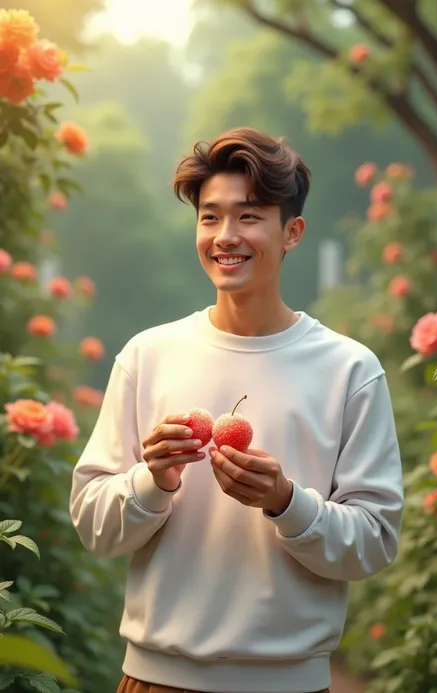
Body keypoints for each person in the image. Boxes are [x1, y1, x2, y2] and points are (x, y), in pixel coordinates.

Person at [70, 127, 404, 693]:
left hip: (290, 684)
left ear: (292, 232)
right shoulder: (147, 356)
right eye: (209, 217)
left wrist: (287, 503)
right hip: (155, 680)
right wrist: (153, 481)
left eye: (249, 216)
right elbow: (94, 529)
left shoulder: (349, 369)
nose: (225, 236)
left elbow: (375, 539)